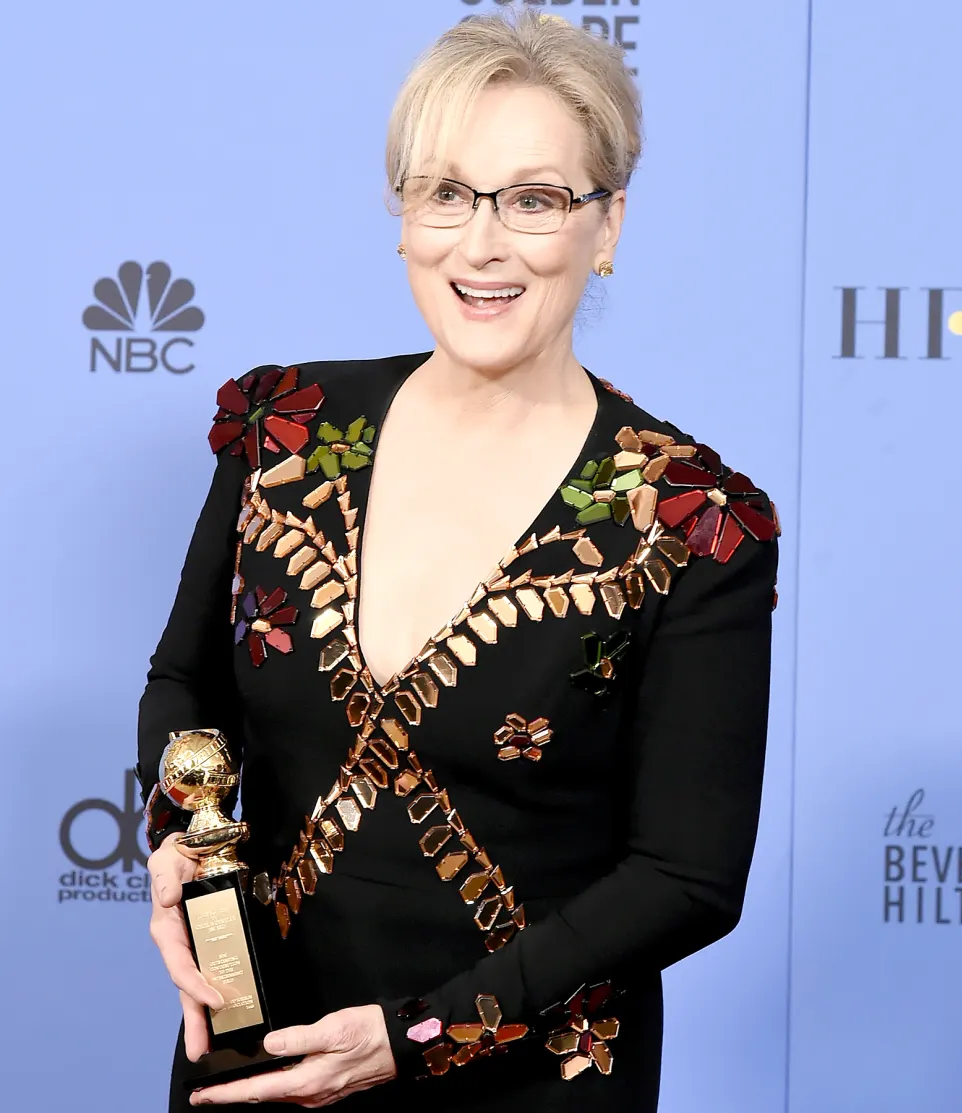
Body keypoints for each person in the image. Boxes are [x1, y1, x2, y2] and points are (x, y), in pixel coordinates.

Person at [137, 10, 779, 1110]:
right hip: (259, 1065)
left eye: (532, 199)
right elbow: (187, 682)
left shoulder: (691, 519)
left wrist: (413, 1038)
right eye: (446, 193)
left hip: (529, 1085)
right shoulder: (285, 431)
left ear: (606, 223)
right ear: (403, 217)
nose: (482, 244)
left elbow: (687, 879)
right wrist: (176, 837)